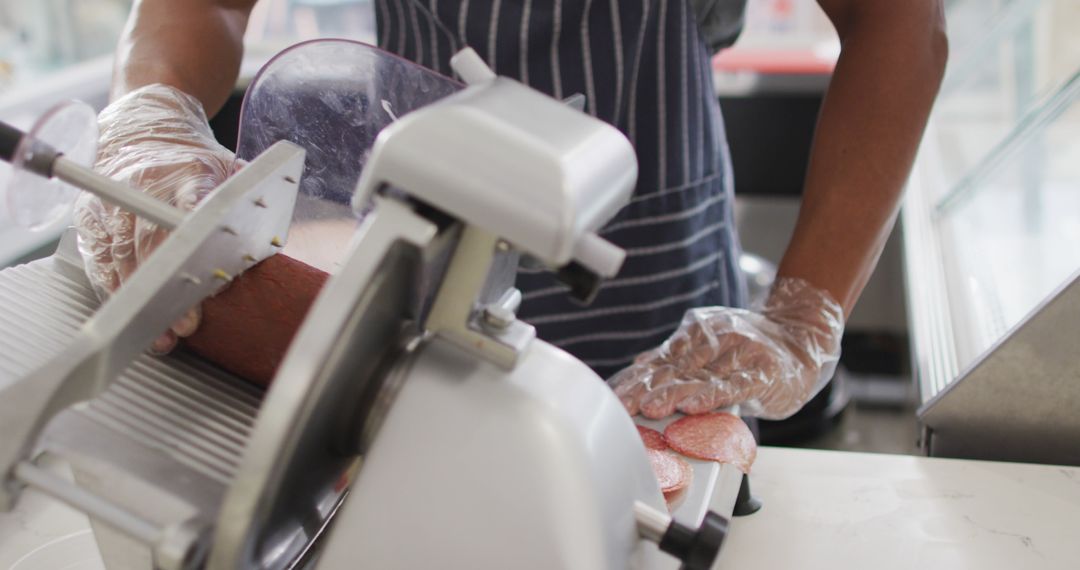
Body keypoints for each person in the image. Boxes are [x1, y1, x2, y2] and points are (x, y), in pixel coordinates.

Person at [75, 0, 947, 421]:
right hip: (421, 252)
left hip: (664, 283)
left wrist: (801, 316)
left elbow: (899, 22)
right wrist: (147, 116)